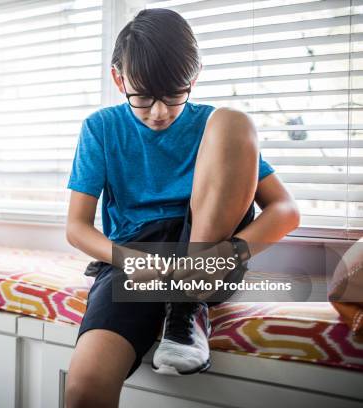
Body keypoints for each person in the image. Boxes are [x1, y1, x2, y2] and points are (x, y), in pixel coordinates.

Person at [64, 8, 300, 408]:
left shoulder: (214, 127)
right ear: (118, 79)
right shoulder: (101, 128)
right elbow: (77, 227)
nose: (159, 112)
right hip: (138, 259)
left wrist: (229, 253)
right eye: (142, 97)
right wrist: (129, 261)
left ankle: (187, 305)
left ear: (193, 78)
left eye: (174, 95)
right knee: (85, 386)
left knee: (234, 121)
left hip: (208, 248)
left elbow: (285, 210)